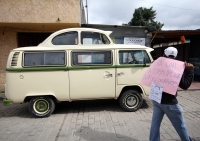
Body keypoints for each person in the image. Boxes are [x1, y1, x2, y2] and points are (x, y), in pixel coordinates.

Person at [149, 47, 194, 141]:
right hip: (169, 103)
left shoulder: (157, 64)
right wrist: (189, 71)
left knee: (155, 125)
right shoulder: (176, 68)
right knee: (181, 127)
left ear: (164, 54)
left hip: (156, 99)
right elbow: (185, 85)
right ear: (176, 56)